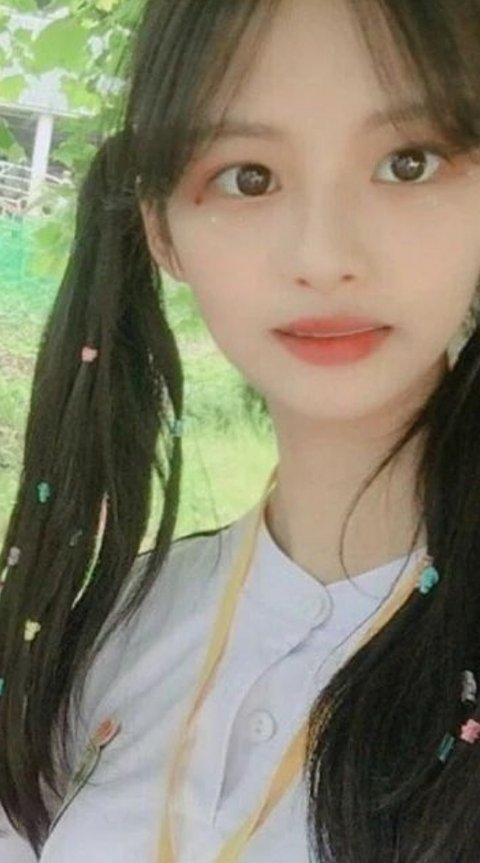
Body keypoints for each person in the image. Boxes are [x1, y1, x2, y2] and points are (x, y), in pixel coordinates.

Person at [2, 0, 480, 860]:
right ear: (162, 230)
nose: (324, 256)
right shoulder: (103, 636)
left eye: (408, 162)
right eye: (249, 177)